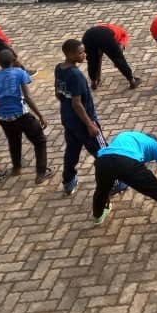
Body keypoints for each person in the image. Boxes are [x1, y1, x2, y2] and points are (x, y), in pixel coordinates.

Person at [0, 49, 53, 184]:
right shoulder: (20, 73)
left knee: (13, 140)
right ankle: (40, 173)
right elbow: (27, 97)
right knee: (40, 141)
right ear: (14, 61)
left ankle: (16, 168)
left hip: (3, 117)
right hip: (22, 115)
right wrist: (40, 115)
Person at [55, 38, 111, 196]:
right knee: (103, 152)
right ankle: (113, 182)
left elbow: (58, 93)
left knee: (72, 152)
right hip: (84, 122)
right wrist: (90, 124)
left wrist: (67, 110)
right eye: (81, 53)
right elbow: (77, 103)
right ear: (70, 54)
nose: (84, 55)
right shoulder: (76, 75)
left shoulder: (59, 68)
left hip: (68, 121)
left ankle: (68, 181)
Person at [81, 24, 140, 89]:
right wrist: (117, 62)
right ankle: (132, 81)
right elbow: (119, 52)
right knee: (118, 58)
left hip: (88, 35)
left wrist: (97, 76)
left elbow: (98, 56)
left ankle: (93, 82)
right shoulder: (123, 35)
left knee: (92, 60)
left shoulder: (107, 27)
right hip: (104, 35)